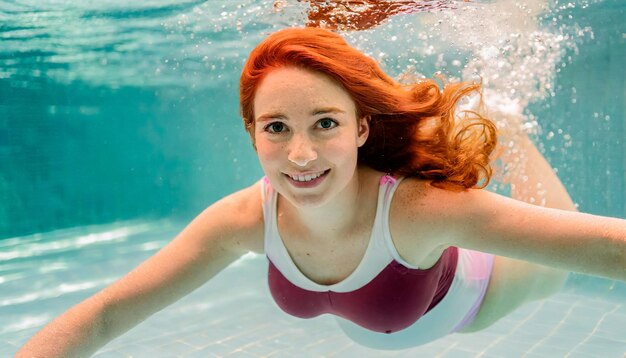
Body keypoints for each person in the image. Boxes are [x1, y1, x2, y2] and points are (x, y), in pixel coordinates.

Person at [16, 27, 626, 356]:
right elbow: (105, 313)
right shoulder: (242, 220)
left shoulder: (418, 211)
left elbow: (609, 249)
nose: (300, 156)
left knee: (557, 232)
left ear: (362, 127)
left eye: (326, 124)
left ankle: (507, 123)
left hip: (483, 294)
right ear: (252, 134)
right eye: (276, 128)